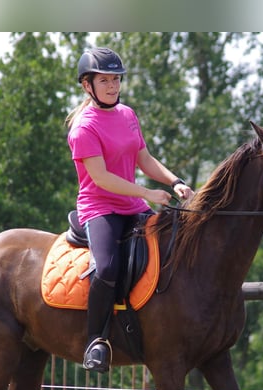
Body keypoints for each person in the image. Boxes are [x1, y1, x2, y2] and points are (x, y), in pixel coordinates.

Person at [66, 47, 193, 373]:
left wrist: (174, 181)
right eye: (104, 80)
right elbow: (102, 178)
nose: (112, 86)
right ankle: (96, 340)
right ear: (87, 85)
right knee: (107, 268)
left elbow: (144, 159)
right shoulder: (83, 128)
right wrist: (148, 192)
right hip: (100, 208)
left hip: (133, 205)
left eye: (116, 79)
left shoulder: (127, 115)